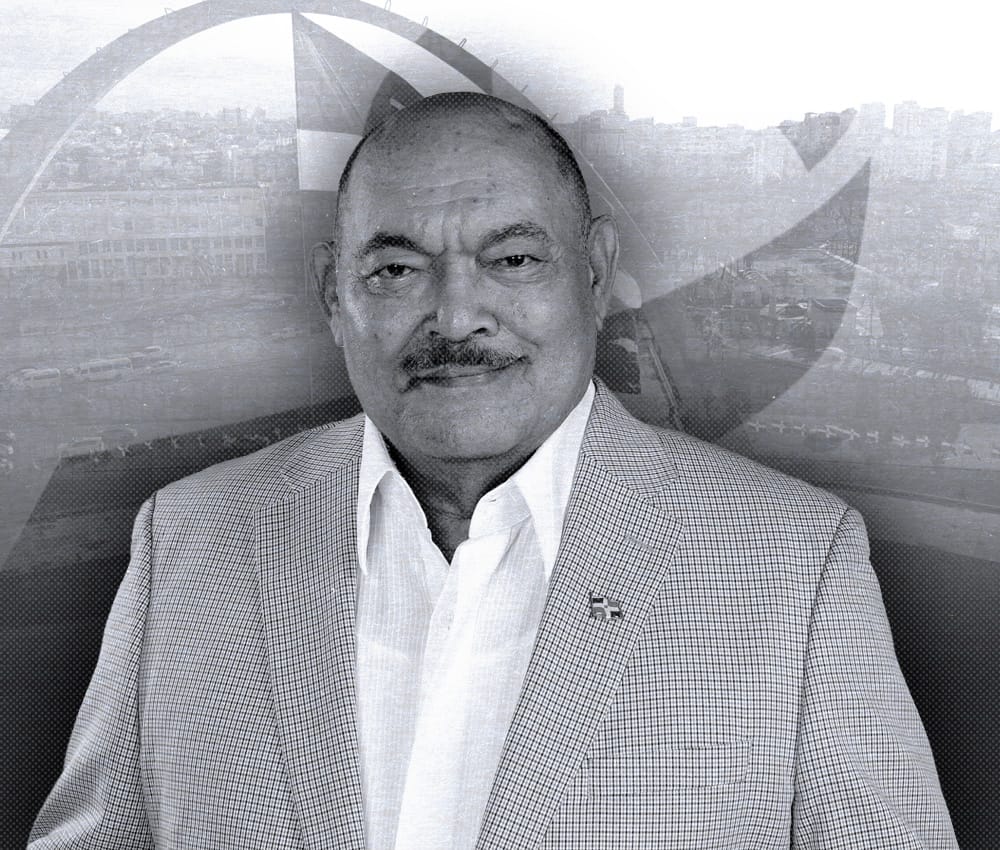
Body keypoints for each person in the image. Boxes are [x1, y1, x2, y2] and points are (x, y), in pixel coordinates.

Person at [29, 92, 957, 849]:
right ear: (333, 295)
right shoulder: (189, 543)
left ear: (594, 274)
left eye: (511, 259)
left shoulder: (793, 567)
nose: (455, 315)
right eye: (397, 270)